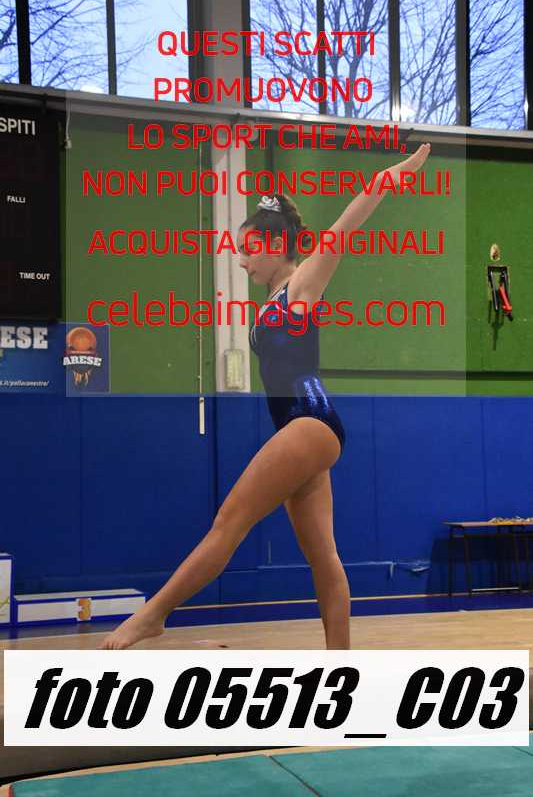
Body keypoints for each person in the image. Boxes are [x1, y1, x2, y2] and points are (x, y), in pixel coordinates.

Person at [99, 143, 431, 650]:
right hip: (304, 430)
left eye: (249, 248)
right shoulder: (273, 300)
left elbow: (346, 226)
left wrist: (391, 175)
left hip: (310, 422)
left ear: (277, 244)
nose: (241, 259)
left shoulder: (303, 284)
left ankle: (153, 614)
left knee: (229, 522)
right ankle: (342, 665)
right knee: (323, 556)